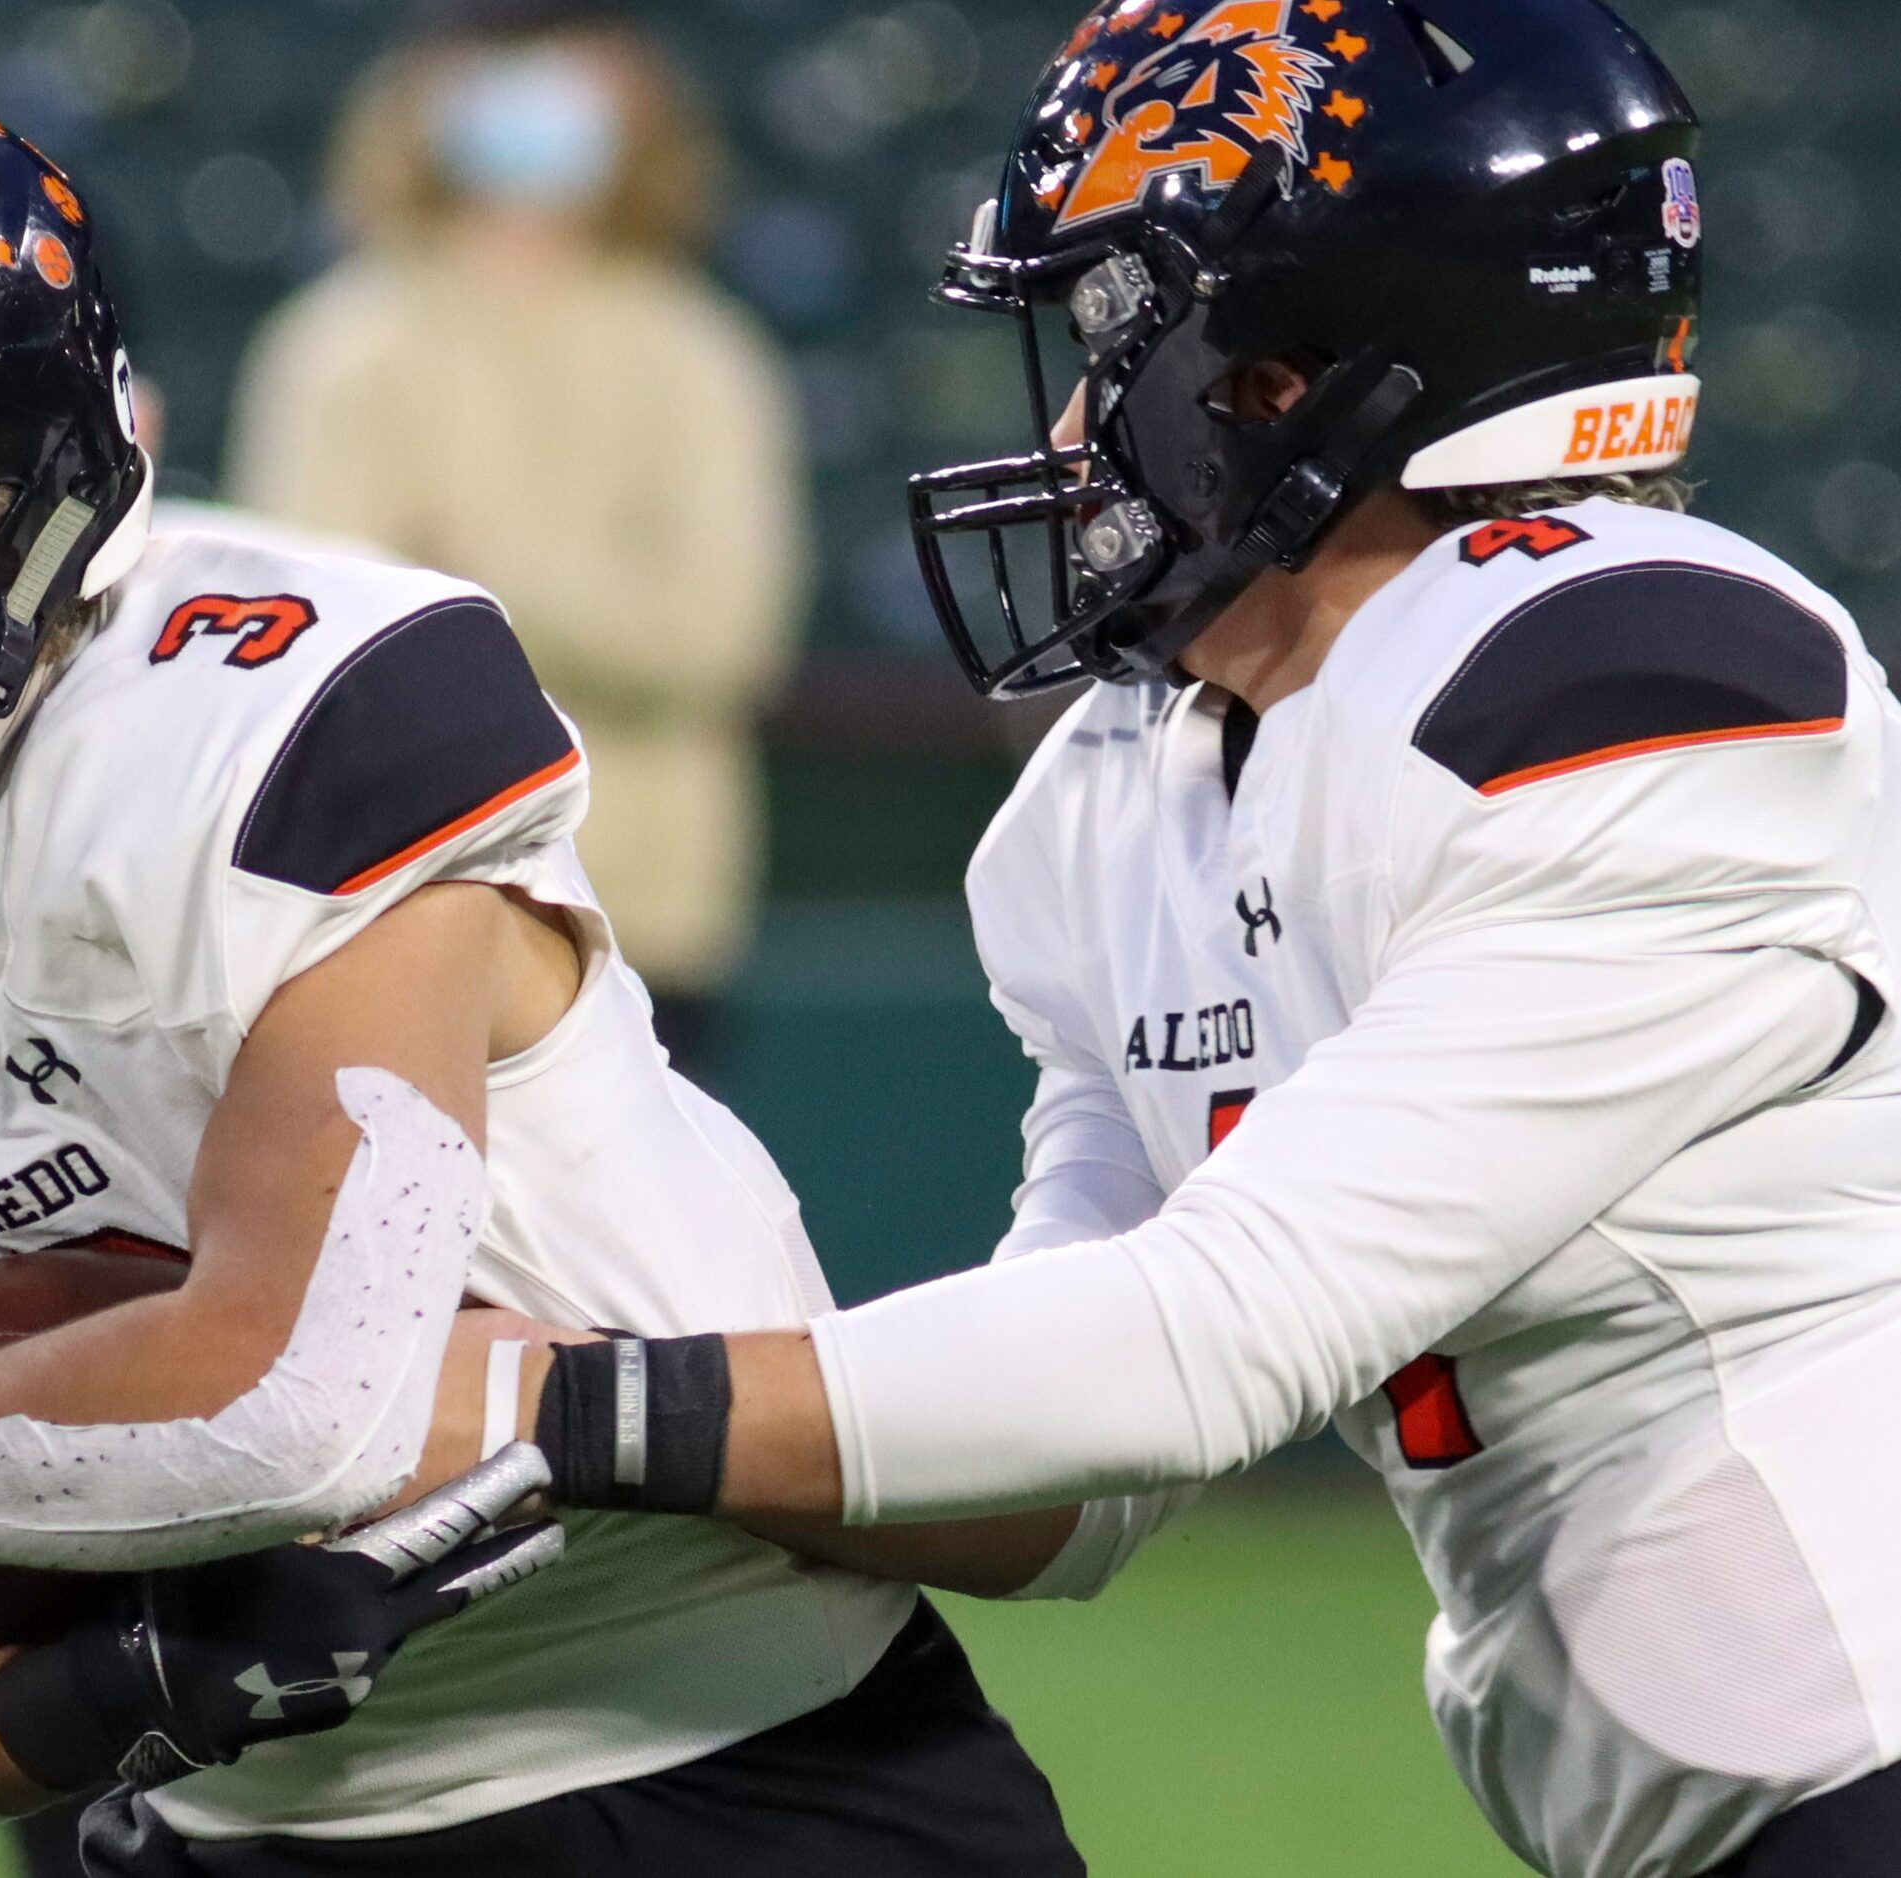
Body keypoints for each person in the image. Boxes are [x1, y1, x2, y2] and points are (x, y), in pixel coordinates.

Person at [0, 70, 1088, 1875]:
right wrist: (110, 1697)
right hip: (211, 1822)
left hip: (736, 1773)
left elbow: (292, 1399)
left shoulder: (271, 717)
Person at [471, 3, 1901, 1874]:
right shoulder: (1124, 775)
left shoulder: (1639, 670)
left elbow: (1206, 1342)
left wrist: (544, 1403)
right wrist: (519, 1441)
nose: (1069, 428)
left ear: (1288, 367)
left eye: (1105, 346)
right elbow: (1083, 1478)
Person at [227, 0, 805, 1082]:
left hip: (648, 923)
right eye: (498, 57)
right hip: (391, 905)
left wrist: (466, 571)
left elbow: (721, 636)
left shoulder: (701, 353)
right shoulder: (339, 347)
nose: (535, 86)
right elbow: (310, 657)